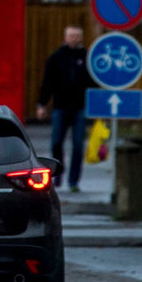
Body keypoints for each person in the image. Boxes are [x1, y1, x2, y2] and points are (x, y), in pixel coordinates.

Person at [35, 25, 93, 191]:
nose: (74, 38)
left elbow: (94, 83)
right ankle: (58, 174)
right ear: (65, 37)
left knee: (78, 145)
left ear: (81, 37)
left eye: (77, 35)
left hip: (80, 108)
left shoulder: (87, 57)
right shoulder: (56, 57)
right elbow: (48, 83)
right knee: (56, 143)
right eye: (71, 35)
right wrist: (42, 104)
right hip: (60, 107)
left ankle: (74, 181)